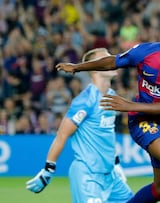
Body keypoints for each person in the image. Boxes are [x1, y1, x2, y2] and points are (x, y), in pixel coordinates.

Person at [56, 13, 160, 203]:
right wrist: (78, 67)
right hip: (143, 120)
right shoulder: (146, 53)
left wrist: (129, 105)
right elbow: (113, 61)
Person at [26, 48, 133, 203]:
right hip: (88, 175)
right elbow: (62, 135)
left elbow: (108, 133)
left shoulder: (112, 96)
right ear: (95, 67)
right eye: (106, 57)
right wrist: (48, 170)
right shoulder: (85, 101)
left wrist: (116, 164)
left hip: (110, 176)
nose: (112, 59)